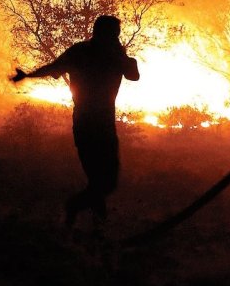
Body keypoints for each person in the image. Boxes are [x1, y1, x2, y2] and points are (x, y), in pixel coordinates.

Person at [11, 14, 140, 231]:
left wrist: (28, 76)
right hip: (97, 126)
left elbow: (53, 68)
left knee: (97, 181)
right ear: (110, 35)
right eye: (114, 35)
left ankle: (95, 228)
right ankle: (75, 209)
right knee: (105, 182)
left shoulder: (82, 52)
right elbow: (133, 75)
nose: (116, 39)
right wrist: (124, 56)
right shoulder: (110, 56)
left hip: (88, 124)